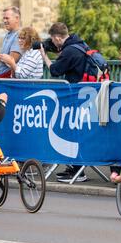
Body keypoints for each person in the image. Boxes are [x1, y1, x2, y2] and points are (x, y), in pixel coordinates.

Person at [39, 22, 90, 182]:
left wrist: (44, 55)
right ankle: (74, 168)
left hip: (76, 97)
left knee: (74, 132)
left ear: (57, 37)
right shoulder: (80, 44)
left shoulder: (69, 51)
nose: (53, 43)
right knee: (77, 131)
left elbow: (55, 70)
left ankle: (78, 170)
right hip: (87, 94)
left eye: (53, 40)